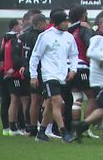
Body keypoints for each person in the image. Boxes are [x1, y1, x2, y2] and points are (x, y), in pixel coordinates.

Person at [29, 10, 79, 143]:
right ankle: (64, 133)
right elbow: (35, 57)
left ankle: (41, 133)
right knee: (58, 102)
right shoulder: (46, 36)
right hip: (49, 75)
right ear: (57, 23)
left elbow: (74, 55)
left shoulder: (69, 37)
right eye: (64, 21)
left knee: (51, 105)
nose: (67, 24)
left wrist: (73, 70)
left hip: (62, 76)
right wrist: (33, 75)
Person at [18, 13, 48, 136]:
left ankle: (32, 127)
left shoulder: (25, 35)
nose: (47, 25)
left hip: (28, 69)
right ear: (40, 24)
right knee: (42, 100)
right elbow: (38, 55)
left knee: (34, 100)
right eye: (45, 23)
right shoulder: (38, 37)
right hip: (37, 70)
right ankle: (44, 127)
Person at [67, 5, 96, 131]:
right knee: (92, 97)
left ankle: (74, 127)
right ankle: (85, 128)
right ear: (83, 15)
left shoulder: (68, 30)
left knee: (76, 98)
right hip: (82, 66)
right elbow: (91, 45)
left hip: (69, 67)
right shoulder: (84, 29)